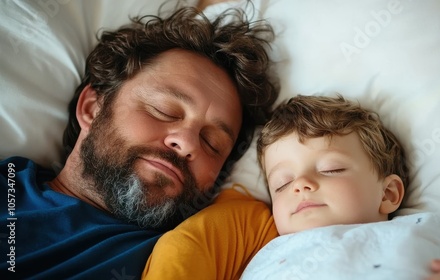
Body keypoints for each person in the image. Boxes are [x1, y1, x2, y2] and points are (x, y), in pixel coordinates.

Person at [0, 3, 279, 279]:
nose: (188, 142)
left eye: (212, 143)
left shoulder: (204, 256)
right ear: (92, 108)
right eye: (164, 110)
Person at [240, 95, 440, 279]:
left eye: (331, 169)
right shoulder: (265, 256)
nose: (300, 185)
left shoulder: (426, 229)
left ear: (387, 193)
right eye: (282, 184)